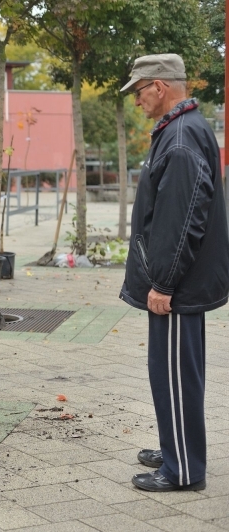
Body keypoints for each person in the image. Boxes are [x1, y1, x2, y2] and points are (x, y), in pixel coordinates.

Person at [119, 54, 229, 492]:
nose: (137, 101)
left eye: (140, 91)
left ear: (160, 87)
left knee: (175, 376)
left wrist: (163, 282)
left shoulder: (181, 138)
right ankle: (176, 447)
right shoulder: (182, 130)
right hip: (181, 282)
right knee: (174, 373)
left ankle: (182, 469)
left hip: (177, 287)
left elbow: (183, 219)